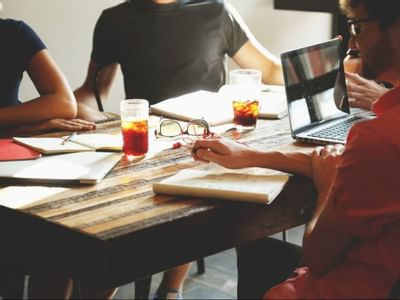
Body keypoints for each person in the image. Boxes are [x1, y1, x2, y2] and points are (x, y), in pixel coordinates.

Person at [190, 0, 400, 298]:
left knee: (259, 259)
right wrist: (252, 156)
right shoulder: (381, 140)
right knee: (259, 252)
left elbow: (318, 255)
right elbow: (347, 165)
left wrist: (327, 190)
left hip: (344, 285)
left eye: (359, 26)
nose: (353, 41)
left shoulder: (377, 141)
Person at [74, 0, 283, 298]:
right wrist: (65, 109)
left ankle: (172, 288)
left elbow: (270, 70)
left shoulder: (216, 10)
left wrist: (325, 71)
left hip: (205, 145)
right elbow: (95, 92)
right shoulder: (115, 19)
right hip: (145, 146)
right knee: (113, 226)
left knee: (188, 182)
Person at [0, 18, 95, 137]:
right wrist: (30, 128)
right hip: (13, 135)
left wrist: (31, 127)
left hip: (13, 141)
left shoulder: (13, 31)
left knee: (85, 114)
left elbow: (64, 103)